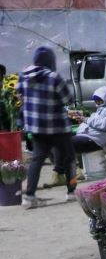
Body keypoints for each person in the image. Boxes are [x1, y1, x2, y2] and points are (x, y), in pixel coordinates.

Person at [16, 46, 77, 208]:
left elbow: (19, 95)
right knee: (70, 158)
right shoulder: (54, 77)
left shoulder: (23, 76)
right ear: (51, 61)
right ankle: (71, 192)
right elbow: (67, 99)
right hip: (58, 127)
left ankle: (28, 197)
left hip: (36, 127)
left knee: (37, 160)